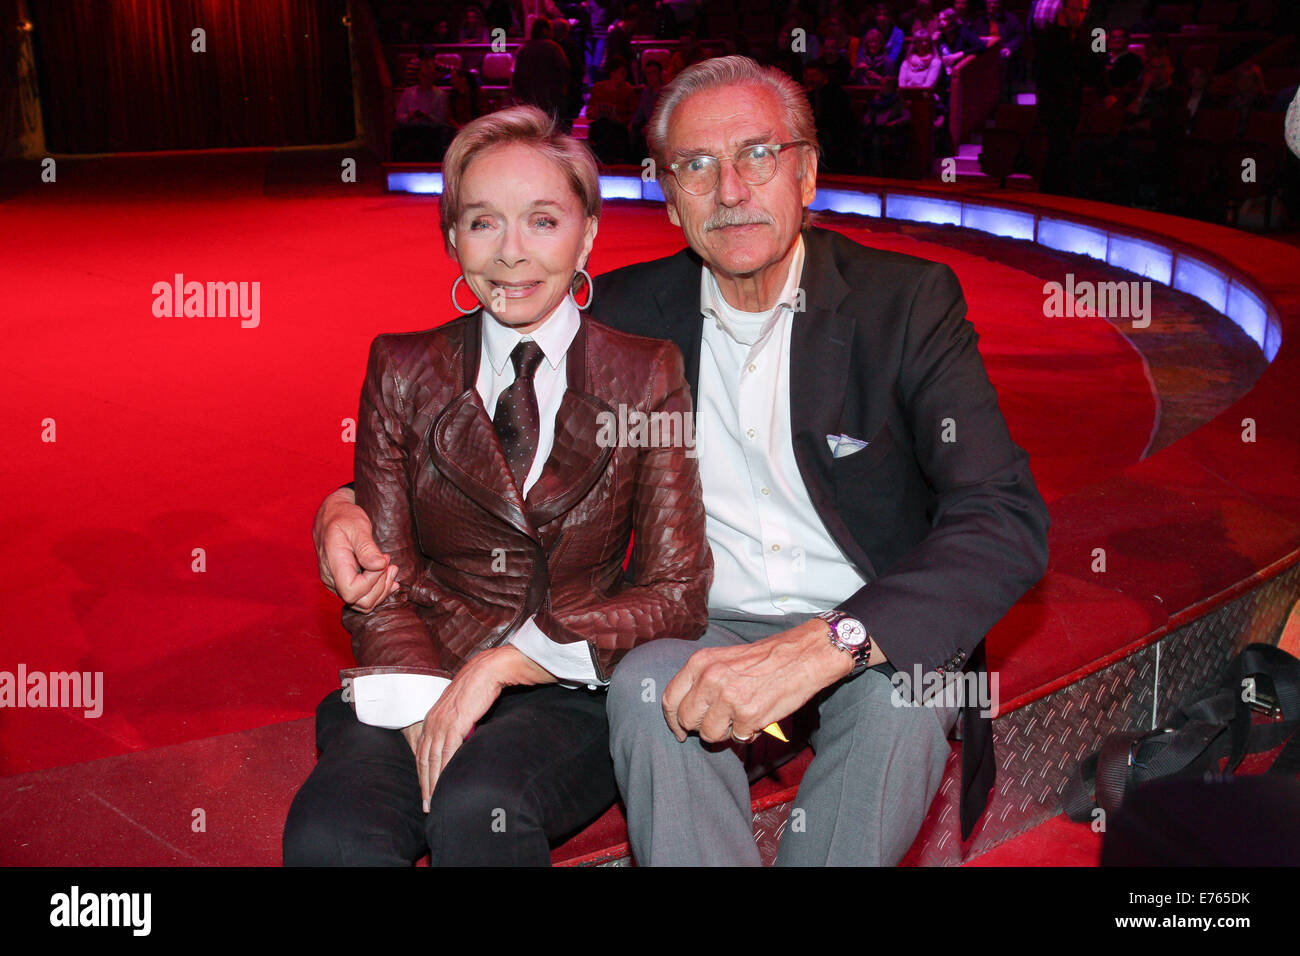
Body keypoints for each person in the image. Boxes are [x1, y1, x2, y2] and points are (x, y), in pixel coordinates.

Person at [315, 55, 1050, 866]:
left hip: (867, 619)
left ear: (805, 173)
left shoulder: (903, 304)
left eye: (757, 156)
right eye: (696, 166)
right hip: (700, 621)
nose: (730, 190)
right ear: (666, 195)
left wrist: (826, 643)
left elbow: (1003, 517)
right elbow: (463, 401)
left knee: (907, 700)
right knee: (645, 684)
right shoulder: (629, 318)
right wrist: (345, 501)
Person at [284, 105, 712, 866]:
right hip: (418, 659)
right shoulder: (402, 368)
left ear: (588, 235)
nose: (511, 254)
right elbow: (382, 577)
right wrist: (421, 702)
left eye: (543, 221)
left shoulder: (647, 375)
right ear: (452, 237)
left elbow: (677, 592)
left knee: (479, 811)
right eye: (483, 223)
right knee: (330, 837)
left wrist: (512, 660)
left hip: (566, 679)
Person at [392, 51, 450, 162]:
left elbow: (441, 120)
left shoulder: (441, 95)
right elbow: (399, 116)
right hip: (410, 129)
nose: (426, 79)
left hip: (431, 131)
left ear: (433, 77)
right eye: (424, 76)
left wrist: (428, 117)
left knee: (433, 139)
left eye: (429, 76)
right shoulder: (408, 92)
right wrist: (409, 116)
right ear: (418, 76)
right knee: (397, 137)